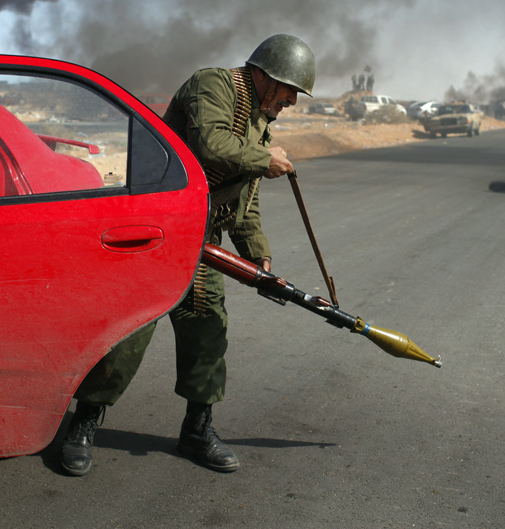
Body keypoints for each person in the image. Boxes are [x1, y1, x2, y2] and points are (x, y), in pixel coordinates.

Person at [60, 34, 314, 476]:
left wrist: (259, 258)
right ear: (265, 75)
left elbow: (242, 201)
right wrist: (263, 158)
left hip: (203, 242)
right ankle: (83, 421)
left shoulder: (258, 122)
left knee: (208, 334)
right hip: (160, 234)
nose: (291, 100)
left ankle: (197, 428)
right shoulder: (213, 86)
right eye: (289, 89)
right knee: (130, 335)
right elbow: (211, 146)